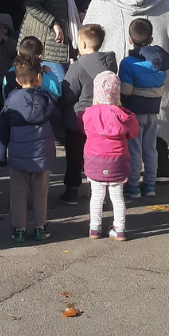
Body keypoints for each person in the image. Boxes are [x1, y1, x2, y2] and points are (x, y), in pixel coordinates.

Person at [85, 0, 169, 174]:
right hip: (150, 85)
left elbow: (89, 28)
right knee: (151, 127)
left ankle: (121, 173)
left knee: (118, 122)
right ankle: (155, 174)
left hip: (118, 75)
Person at [0, 55, 58, 242]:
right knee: (41, 194)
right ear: (39, 78)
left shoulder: (11, 103)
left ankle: (19, 229)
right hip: (41, 157)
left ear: (16, 80)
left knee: (18, 195)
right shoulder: (47, 101)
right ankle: (40, 227)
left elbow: (2, 131)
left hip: (18, 157)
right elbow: (58, 119)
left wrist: (1, 155)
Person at [57, 24, 117, 206]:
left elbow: (67, 94)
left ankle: (72, 190)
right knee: (99, 156)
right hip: (103, 120)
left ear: (82, 44)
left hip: (79, 120)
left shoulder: (78, 67)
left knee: (74, 156)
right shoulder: (110, 63)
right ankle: (101, 191)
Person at [118, 18, 169, 199]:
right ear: (151, 40)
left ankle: (133, 186)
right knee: (150, 149)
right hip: (153, 110)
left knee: (135, 149)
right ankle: (149, 185)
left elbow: (127, 90)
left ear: (129, 40)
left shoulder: (128, 63)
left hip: (134, 111)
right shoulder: (160, 60)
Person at [82, 72, 139, 241]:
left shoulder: (89, 113)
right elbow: (133, 132)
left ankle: (94, 228)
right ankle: (119, 228)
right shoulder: (123, 115)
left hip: (94, 160)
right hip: (118, 161)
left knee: (97, 196)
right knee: (117, 196)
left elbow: (85, 129)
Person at [1, 36, 62, 101]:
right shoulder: (38, 75)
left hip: (13, 107)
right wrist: (50, 73)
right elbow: (57, 91)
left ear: (18, 52)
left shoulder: (11, 72)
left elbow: (5, 93)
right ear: (40, 57)